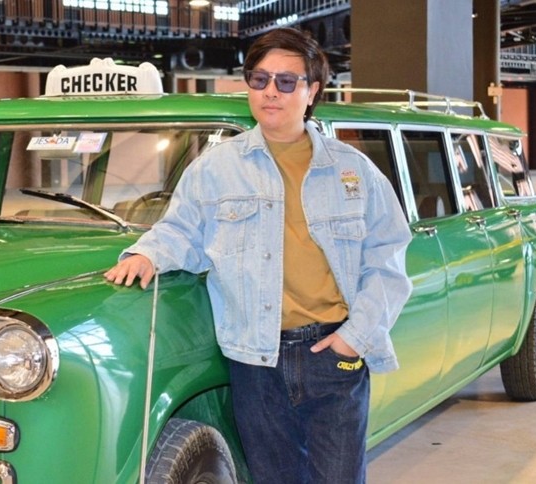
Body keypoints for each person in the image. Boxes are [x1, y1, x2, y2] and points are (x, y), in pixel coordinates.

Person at [105, 27, 412, 484]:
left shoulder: (352, 170)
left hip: (332, 354)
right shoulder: (215, 168)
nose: (271, 91)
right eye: (259, 79)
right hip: (254, 360)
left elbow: (387, 258)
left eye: (287, 81)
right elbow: (180, 229)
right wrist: (147, 254)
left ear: (311, 92)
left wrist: (354, 338)